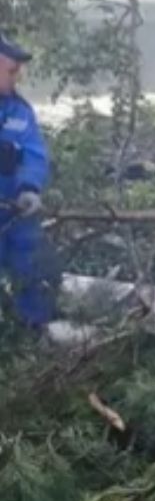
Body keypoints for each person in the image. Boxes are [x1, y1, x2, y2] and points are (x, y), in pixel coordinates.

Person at [0, 35, 50, 329]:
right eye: (11, 70)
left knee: (30, 268)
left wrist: (29, 187)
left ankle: (32, 331)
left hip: (14, 212)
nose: (18, 76)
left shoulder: (20, 111)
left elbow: (34, 153)